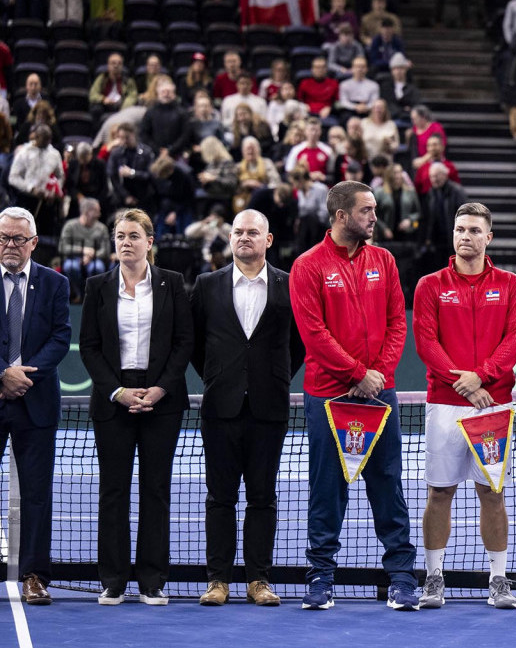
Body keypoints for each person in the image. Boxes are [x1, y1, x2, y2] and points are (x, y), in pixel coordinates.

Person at [289, 181, 418, 611]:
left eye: (375, 209)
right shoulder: (308, 266)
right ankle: (320, 577)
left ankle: (401, 577)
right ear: (341, 215)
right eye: (366, 210)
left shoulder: (385, 259)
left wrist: (377, 375)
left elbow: (398, 322)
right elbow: (314, 334)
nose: (374, 217)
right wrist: (358, 374)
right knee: (329, 489)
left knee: (388, 486)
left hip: (379, 394)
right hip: (328, 397)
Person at [413, 202, 516, 610]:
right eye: (461, 229)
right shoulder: (429, 285)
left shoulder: (512, 285)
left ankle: (498, 580)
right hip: (445, 404)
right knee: (439, 493)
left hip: (493, 404)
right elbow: (426, 343)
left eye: (475, 231)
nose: (466, 236)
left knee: (492, 494)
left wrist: (481, 376)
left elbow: (514, 339)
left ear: (488, 237)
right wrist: (466, 384)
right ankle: (433, 578)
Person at [80, 210, 194, 606]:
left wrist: (160, 389)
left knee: (156, 490)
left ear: (150, 241)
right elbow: (90, 348)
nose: (125, 242)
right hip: (114, 402)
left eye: (133, 235)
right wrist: (118, 392)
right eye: (120, 236)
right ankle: (112, 579)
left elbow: (184, 343)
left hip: (162, 401)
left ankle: (151, 580)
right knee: (113, 491)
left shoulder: (173, 284)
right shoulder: (97, 286)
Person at [189, 210, 302, 607]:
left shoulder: (292, 286)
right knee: (219, 498)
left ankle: (259, 580)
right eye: (238, 232)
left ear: (268, 240)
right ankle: (217, 580)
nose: (244, 238)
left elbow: (298, 347)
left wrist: (272, 379)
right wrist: (222, 377)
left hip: (269, 408)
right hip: (220, 407)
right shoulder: (205, 286)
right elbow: (196, 344)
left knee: (262, 497)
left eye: (253, 232)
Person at [0, 207, 71, 604]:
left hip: (36, 401)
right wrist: (2, 375)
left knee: (37, 494)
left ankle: (34, 576)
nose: (10, 245)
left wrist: (23, 377)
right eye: (4, 238)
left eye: (18, 239)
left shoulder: (56, 283)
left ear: (33, 242)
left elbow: (61, 337)